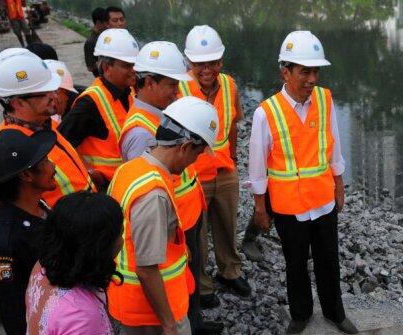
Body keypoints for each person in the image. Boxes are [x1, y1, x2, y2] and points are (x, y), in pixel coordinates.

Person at [248, 31, 358, 334]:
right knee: (294, 264)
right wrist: (260, 206)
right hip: (288, 206)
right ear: (286, 71)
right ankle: (301, 314)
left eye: (315, 71)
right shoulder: (266, 113)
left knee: (328, 261)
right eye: (304, 71)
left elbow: (333, 144)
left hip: (323, 199)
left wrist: (339, 184)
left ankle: (336, 313)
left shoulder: (324, 99)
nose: (311, 79)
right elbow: (257, 165)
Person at [119, 41, 223, 334]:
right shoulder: (141, 134)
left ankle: (192, 322)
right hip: (163, 233)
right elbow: (147, 264)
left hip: (181, 222)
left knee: (188, 281)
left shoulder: (165, 118)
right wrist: (169, 323)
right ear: (149, 82)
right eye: (171, 85)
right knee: (178, 285)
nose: (177, 92)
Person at [179, 25, 249, 307]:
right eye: (200, 63)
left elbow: (232, 123)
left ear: (221, 61)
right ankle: (203, 285)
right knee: (198, 233)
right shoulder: (179, 88)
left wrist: (231, 159)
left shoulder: (230, 85)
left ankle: (230, 271)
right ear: (190, 63)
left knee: (227, 226)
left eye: (212, 62)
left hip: (224, 171)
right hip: (195, 175)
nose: (207, 69)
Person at [0, 49, 96, 207]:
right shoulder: (10, 152)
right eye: (44, 93)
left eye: (53, 90)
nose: (54, 97)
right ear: (18, 103)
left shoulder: (45, 122)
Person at [0, 129, 57, 335]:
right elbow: (14, 314)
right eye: (46, 162)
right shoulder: (5, 245)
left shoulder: (39, 206)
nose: (53, 166)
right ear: (26, 175)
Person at [25, 192, 123, 334]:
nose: (122, 240)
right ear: (100, 247)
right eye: (120, 233)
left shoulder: (42, 266)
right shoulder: (82, 317)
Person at [59, 29, 139, 189]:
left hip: (129, 182)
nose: (133, 70)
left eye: (135, 64)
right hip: (106, 188)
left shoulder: (130, 92)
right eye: (127, 66)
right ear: (107, 67)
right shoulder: (90, 102)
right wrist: (88, 171)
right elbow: (61, 144)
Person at [84, 7, 107, 77]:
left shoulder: (104, 35)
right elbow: (90, 67)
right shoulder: (90, 42)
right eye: (106, 22)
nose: (108, 25)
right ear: (98, 23)